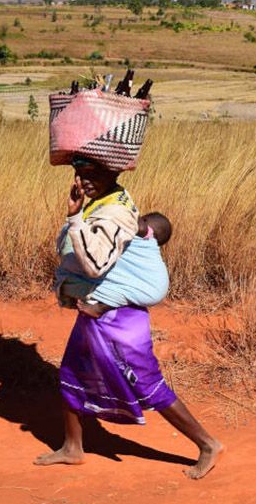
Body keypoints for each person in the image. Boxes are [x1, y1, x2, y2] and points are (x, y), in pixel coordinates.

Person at [34, 156, 223, 479]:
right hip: (96, 313)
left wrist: (75, 216)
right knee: (72, 374)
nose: (84, 180)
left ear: (114, 171)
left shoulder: (116, 215)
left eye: (94, 173)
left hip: (120, 322)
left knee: (148, 385)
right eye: (80, 172)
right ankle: (73, 447)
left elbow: (94, 263)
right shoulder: (107, 204)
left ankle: (207, 444)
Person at [55, 209, 173, 319]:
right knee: (118, 292)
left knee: (116, 292)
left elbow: (133, 221)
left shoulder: (144, 233)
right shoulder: (144, 254)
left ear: (146, 222)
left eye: (143, 218)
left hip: (150, 288)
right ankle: (98, 307)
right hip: (154, 289)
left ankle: (99, 308)